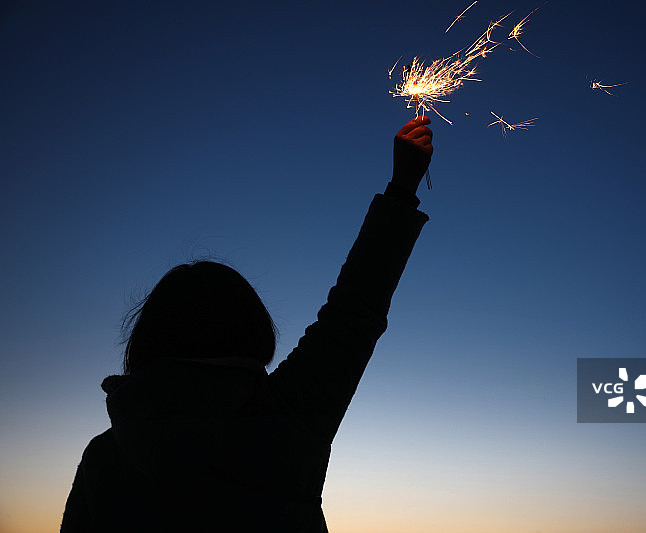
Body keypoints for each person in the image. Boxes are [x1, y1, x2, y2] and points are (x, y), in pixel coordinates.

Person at [60, 116, 434, 532]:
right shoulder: (286, 419)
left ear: (147, 339)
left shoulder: (106, 457)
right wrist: (402, 187)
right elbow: (354, 311)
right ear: (252, 330)